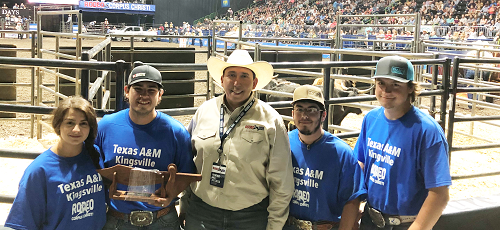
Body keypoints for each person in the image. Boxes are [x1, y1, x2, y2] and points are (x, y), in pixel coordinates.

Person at [182, 49, 294, 230]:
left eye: (244, 76)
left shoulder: (271, 120)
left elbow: (281, 179)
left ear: (254, 82)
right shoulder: (204, 111)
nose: (236, 82)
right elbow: (189, 161)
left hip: (251, 216)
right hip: (202, 210)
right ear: (221, 80)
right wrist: (185, 207)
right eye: (231, 75)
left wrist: (274, 225)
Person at [354, 56, 451, 230]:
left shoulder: (427, 131)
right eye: (381, 83)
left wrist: (418, 227)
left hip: (406, 224)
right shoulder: (371, 119)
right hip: (371, 219)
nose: (386, 91)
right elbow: (360, 163)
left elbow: (439, 194)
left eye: (395, 85)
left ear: (410, 88)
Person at [96, 64, 195, 230]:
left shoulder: (176, 131)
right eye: (138, 89)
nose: (144, 95)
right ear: (127, 91)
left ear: (160, 95)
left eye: (151, 90)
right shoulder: (106, 126)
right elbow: (94, 167)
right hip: (118, 219)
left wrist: (170, 196)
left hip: (161, 219)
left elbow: (186, 174)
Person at [5, 96, 106, 230]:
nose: (76, 130)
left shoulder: (95, 155)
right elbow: (23, 222)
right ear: (58, 125)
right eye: (70, 123)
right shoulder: (39, 170)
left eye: (83, 123)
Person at [283, 85, 367, 230]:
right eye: (300, 109)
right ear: (292, 114)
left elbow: (352, 199)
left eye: (312, 110)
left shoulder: (341, 152)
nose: (304, 115)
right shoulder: (283, 143)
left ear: (323, 115)